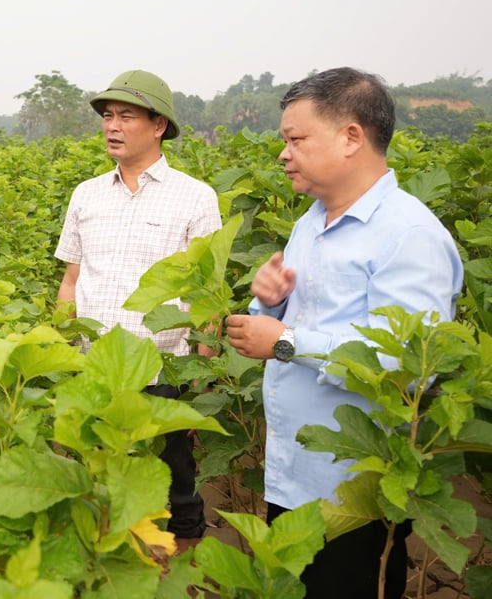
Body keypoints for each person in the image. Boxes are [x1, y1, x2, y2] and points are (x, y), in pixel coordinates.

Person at [225, 67, 464, 598]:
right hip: (295, 473)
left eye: (295, 139)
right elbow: (299, 320)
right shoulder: (313, 220)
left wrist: (284, 341)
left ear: (351, 136)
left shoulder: (409, 235)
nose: (283, 154)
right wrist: (272, 298)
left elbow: (404, 364)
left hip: (353, 494)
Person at [54, 70, 222, 548]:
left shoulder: (195, 197)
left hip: (163, 371)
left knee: (175, 488)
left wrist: (201, 378)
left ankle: (184, 572)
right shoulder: (86, 194)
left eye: (126, 115)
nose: (113, 125)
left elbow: (207, 295)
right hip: (95, 369)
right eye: (108, 116)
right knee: (101, 483)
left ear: (159, 125)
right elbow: (71, 279)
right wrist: (65, 354)